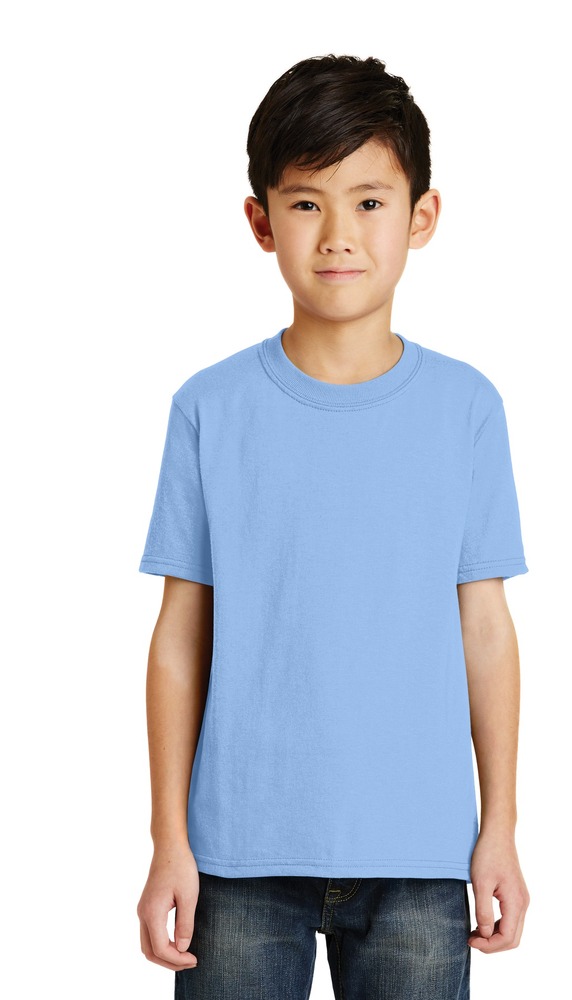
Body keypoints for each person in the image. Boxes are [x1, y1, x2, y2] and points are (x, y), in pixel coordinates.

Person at [136, 54, 531, 1000]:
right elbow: (180, 638)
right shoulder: (210, 408)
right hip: (236, 855)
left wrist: (500, 827)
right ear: (260, 221)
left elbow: (484, 630)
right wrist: (167, 841)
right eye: (306, 203)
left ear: (420, 217)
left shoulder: (465, 409)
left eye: (369, 201)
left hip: (420, 855)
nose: (338, 235)